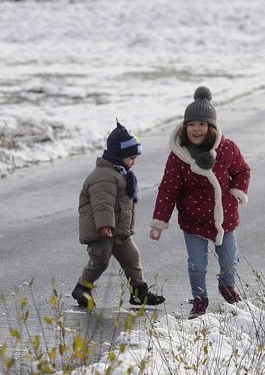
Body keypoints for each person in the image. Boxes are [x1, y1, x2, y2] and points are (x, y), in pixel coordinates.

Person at [149, 87, 251, 318]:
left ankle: (227, 286)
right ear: (186, 127)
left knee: (228, 261)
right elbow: (168, 189)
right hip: (193, 220)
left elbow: (243, 170)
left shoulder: (227, 148)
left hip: (223, 219)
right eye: (192, 123)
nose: (197, 128)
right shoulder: (179, 155)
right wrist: (159, 223)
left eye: (202, 124)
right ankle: (199, 298)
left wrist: (237, 191)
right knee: (197, 265)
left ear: (212, 127)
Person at [71, 122, 166, 309]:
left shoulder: (120, 173)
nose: (134, 162)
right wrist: (105, 225)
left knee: (132, 258)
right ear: (119, 155)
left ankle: (139, 292)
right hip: (103, 230)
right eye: (131, 157)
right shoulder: (104, 176)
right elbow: (102, 204)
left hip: (119, 231)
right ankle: (83, 287)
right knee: (100, 261)